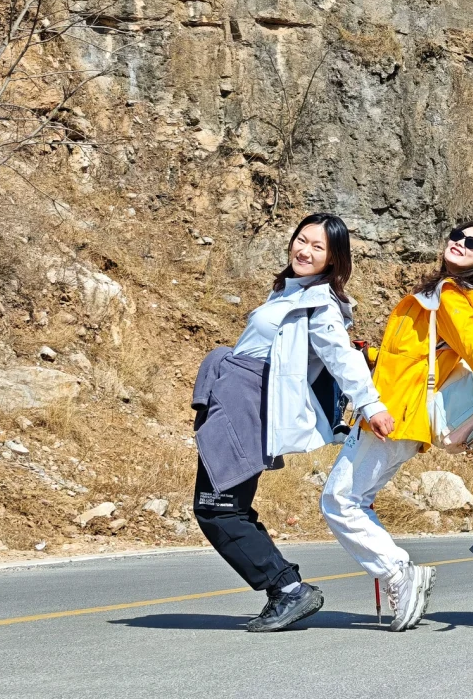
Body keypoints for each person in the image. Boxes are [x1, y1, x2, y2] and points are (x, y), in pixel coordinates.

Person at [320, 221, 473, 632]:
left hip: (392, 415)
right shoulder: (449, 295)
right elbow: (414, 357)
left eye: (472, 243)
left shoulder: (452, 297)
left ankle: (399, 574)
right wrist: (372, 356)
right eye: (457, 235)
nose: (460, 243)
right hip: (394, 410)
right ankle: (400, 577)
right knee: (353, 501)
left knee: (340, 501)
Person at [191, 213, 388, 633]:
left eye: (318, 247)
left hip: (249, 407)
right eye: (302, 239)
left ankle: (288, 589)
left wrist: (371, 405)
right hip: (235, 400)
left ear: (333, 259)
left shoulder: (319, 303)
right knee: (225, 507)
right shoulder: (287, 290)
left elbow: (342, 357)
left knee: (217, 508)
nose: (305, 250)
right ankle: (285, 588)